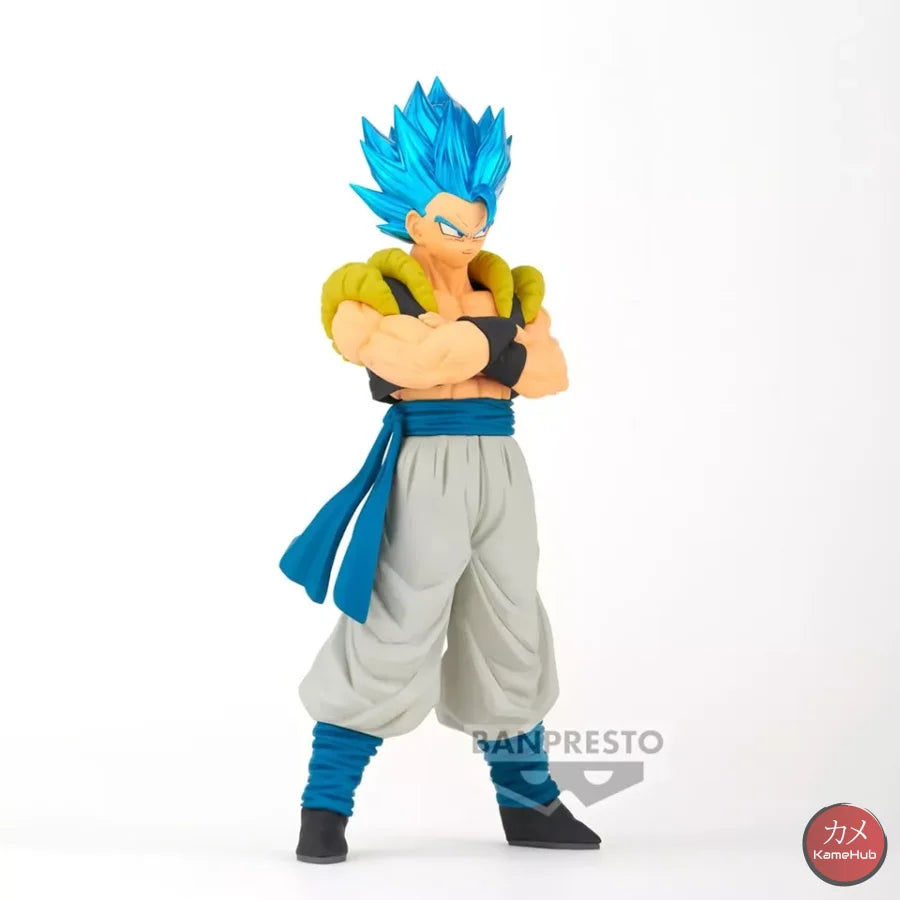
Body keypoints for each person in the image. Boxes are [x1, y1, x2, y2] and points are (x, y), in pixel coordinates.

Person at [280, 77, 600, 864]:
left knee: (510, 626)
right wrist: (495, 346)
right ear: (415, 215)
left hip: (502, 466)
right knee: (394, 623)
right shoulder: (368, 289)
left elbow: (551, 372)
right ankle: (325, 806)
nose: (473, 232)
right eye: (457, 219)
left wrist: (468, 347)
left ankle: (529, 801)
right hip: (424, 468)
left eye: (483, 215)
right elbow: (408, 363)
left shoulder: (506, 284)